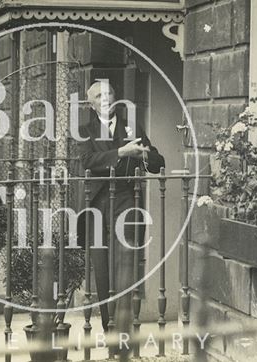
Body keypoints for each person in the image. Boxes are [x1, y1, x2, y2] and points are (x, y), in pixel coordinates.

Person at [77, 80, 165, 347]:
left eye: (109, 93)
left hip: (126, 200)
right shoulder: (84, 130)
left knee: (125, 264)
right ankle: (110, 328)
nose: (105, 98)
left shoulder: (132, 126)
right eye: (98, 95)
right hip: (97, 205)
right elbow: (87, 161)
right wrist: (121, 152)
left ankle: (125, 332)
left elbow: (156, 160)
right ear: (90, 104)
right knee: (102, 270)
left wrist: (145, 155)